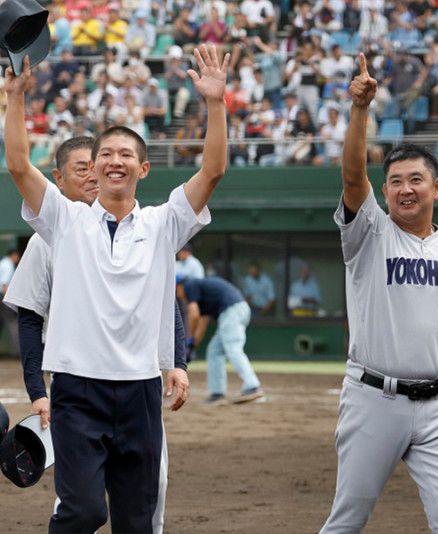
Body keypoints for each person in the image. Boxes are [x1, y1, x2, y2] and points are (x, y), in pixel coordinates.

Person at [3, 44, 229, 532]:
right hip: (76, 391)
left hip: (140, 392)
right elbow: (20, 166)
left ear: (143, 168)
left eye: (126, 154)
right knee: (83, 510)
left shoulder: (165, 222)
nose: (114, 161)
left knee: (136, 521)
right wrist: (16, 97)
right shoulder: (65, 221)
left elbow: (212, 171)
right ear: (94, 167)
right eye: (105, 154)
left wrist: (214, 103)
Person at [320, 54, 438, 533]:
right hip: (374, 399)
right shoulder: (370, 232)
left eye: (415, 179)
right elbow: (354, 176)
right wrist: (360, 110)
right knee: (347, 520)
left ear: (436, 187)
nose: (405, 189)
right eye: (395, 181)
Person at [2, 136, 188, 533]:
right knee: (80, 505)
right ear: (58, 179)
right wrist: (37, 391)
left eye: (96, 164)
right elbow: (30, 319)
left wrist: (176, 362)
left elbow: (163, 300)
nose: (92, 174)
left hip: (137, 384)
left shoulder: (144, 230)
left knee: (148, 497)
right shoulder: (51, 233)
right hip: (78, 381)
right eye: (82, 168)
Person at [176, 275, 263, 405]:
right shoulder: (202, 295)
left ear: (179, 286)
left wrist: (188, 340)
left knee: (233, 348)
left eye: (176, 290)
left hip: (232, 311)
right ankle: (217, 393)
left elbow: (193, 315)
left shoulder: (190, 284)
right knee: (214, 351)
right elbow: (202, 323)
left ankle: (252, 386)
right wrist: (192, 346)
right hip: (236, 311)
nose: (178, 295)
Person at [0, 248, 21, 355]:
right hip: (4, 297)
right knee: (13, 323)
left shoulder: (3, 263)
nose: (18, 259)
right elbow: (4, 285)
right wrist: (9, 301)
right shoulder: (8, 264)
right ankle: (17, 352)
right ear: (14, 255)